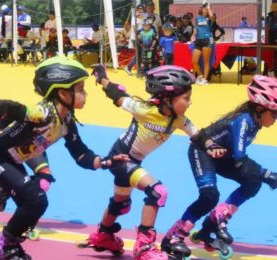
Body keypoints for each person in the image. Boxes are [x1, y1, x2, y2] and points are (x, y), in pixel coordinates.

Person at [0, 56, 128, 259]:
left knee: (36, 202)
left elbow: (81, 154)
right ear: (64, 93)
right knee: (36, 199)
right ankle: (2, 246)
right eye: (81, 89)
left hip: (13, 161)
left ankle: (10, 245)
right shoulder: (42, 112)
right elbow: (3, 107)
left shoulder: (66, 121)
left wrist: (105, 161)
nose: (85, 94)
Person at [84, 64, 198, 260]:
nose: (190, 103)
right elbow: (117, 94)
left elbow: (200, 136)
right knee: (158, 192)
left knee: (121, 204)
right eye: (186, 99)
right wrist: (102, 77)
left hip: (134, 161)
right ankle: (144, 247)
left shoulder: (179, 119)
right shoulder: (144, 110)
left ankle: (103, 235)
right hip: (121, 158)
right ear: (168, 99)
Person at [161, 75, 277, 258]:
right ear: (261, 108)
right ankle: (173, 237)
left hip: (221, 155)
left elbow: (240, 162)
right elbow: (240, 159)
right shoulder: (244, 121)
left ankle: (210, 225)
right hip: (202, 152)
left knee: (252, 182)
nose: (275, 119)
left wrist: (262, 175)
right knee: (209, 196)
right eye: (274, 113)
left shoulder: (255, 122)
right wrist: (267, 174)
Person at [193, 3, 214, 85]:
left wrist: (209, 9)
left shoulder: (209, 18)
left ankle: (205, 79)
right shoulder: (197, 18)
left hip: (207, 39)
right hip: (198, 40)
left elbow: (212, 17)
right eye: (204, 9)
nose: (206, 10)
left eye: (207, 9)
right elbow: (196, 28)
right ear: (201, 9)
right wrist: (194, 33)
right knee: (194, 61)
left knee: (206, 61)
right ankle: (200, 75)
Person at [125, 4, 147, 76]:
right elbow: (134, 28)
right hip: (136, 38)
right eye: (139, 9)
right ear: (137, 9)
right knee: (139, 54)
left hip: (142, 37)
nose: (141, 10)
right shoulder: (135, 17)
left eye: (142, 9)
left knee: (140, 54)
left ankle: (136, 69)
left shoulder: (144, 16)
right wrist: (138, 37)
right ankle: (130, 67)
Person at [264, 3, 277, 77]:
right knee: (268, 58)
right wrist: (266, 42)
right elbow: (266, 30)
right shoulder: (268, 18)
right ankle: (265, 73)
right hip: (271, 42)